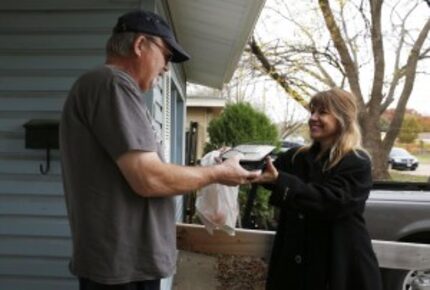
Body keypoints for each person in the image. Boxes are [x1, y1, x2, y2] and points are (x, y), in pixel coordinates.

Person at [60, 10, 260, 290]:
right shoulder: (112, 84)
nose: (167, 68)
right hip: (121, 268)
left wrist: (214, 164)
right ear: (140, 45)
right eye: (166, 56)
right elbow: (149, 178)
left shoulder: (111, 89)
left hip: (128, 264)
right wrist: (216, 172)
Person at [251, 88, 383, 290]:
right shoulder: (296, 157)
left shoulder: (357, 161)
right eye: (312, 112)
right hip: (294, 266)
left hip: (339, 267)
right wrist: (239, 163)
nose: (313, 118)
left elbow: (333, 202)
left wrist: (281, 181)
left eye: (322, 112)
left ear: (342, 118)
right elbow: (267, 173)